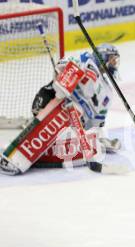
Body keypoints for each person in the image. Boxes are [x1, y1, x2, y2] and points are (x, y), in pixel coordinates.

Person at [0, 44, 121, 174]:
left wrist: (97, 139)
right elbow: (61, 67)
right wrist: (66, 79)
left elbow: (95, 124)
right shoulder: (85, 60)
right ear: (102, 57)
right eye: (112, 59)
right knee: (57, 120)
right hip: (55, 104)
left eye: (116, 61)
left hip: (75, 122)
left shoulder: (108, 92)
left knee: (73, 141)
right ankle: (17, 155)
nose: (114, 64)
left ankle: (42, 151)